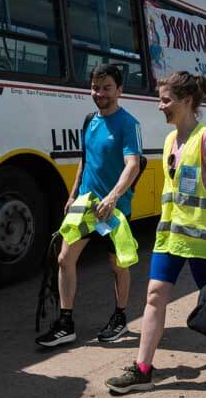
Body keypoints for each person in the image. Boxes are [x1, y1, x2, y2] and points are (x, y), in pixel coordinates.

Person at [104, 71, 206, 394]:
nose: (160, 106)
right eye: (160, 99)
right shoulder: (170, 140)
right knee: (154, 296)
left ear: (187, 101)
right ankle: (143, 369)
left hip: (202, 240)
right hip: (168, 238)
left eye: (165, 100)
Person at [35, 64, 142, 347]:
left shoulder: (129, 124)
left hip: (114, 209)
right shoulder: (88, 121)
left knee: (117, 264)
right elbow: (85, 160)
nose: (100, 93)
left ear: (119, 90)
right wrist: (72, 196)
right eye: (95, 87)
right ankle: (65, 323)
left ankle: (120, 317)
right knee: (63, 258)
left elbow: (133, 165)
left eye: (107, 87)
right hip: (86, 206)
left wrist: (114, 196)